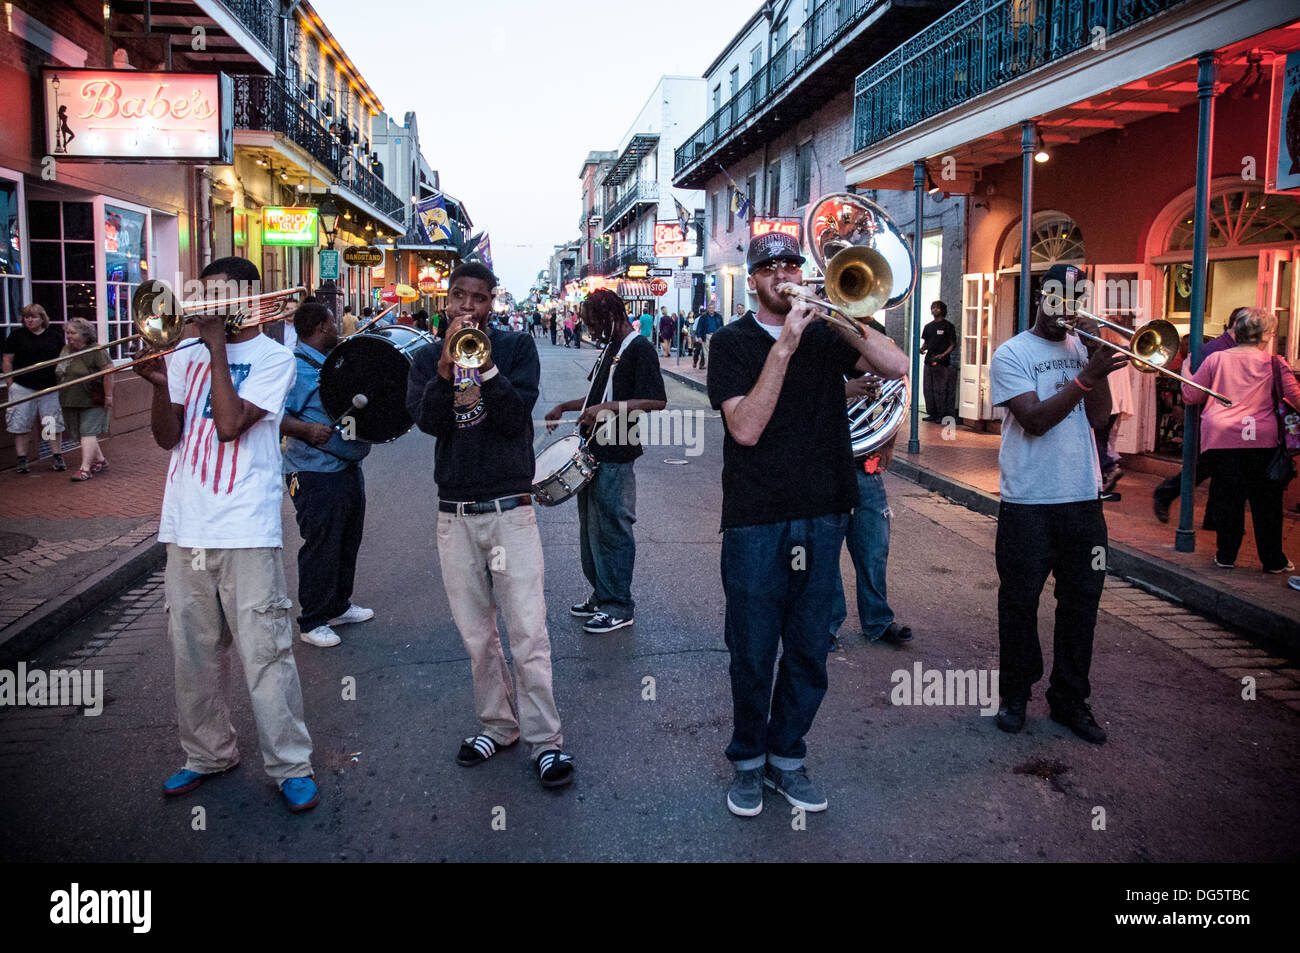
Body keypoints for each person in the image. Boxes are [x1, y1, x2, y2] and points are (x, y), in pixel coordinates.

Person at [708, 231, 907, 817]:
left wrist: (842, 315)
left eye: (793, 264)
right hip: (755, 520)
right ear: (753, 280)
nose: (784, 274)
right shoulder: (731, 343)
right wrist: (785, 345)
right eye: (770, 267)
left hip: (824, 513)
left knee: (808, 650)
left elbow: (895, 365)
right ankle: (748, 761)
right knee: (751, 648)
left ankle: (787, 757)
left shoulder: (827, 332)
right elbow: (745, 427)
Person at [133, 256, 319, 812]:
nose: (206, 306)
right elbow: (169, 437)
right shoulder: (186, 353)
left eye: (219, 296)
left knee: (266, 651)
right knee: (192, 652)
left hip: (246, 527)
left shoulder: (273, 357)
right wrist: (161, 381)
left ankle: (290, 763)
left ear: (248, 299)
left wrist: (214, 349)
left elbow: (231, 425)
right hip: (185, 525)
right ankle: (207, 753)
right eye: (203, 295)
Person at [406, 261, 575, 790]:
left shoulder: (517, 349)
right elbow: (430, 423)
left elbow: (514, 415)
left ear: (491, 303)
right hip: (454, 513)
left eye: (477, 299)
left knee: (528, 632)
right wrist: (443, 368)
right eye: (458, 297)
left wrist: (484, 367)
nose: (466, 308)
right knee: (478, 637)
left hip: (510, 509)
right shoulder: (423, 357)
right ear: (447, 300)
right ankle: (498, 725)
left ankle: (545, 741)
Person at [989, 263, 1129, 746]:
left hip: (1083, 501)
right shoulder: (1012, 353)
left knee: (1081, 605)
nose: (1063, 310)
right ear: (1038, 299)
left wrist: (1094, 364)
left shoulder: (1082, 349)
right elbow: (1034, 421)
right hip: (1028, 501)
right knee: (1019, 602)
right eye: (1055, 298)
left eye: (1073, 300)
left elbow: (1098, 417)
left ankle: (1069, 698)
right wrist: (1087, 375)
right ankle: (1014, 693)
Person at [545, 289, 667, 634]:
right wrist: (566, 407)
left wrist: (606, 410)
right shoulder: (611, 348)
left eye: (597, 325)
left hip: (617, 452)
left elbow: (656, 400)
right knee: (591, 531)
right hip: (592, 450)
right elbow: (596, 396)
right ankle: (601, 596)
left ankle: (618, 605)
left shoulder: (639, 348)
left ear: (613, 316)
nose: (594, 332)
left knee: (613, 530)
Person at [280, 301, 374, 648]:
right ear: (321, 327)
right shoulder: (293, 368)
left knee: (347, 539)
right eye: (333, 322)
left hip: (346, 467)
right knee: (321, 544)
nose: (337, 327)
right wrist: (304, 430)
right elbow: (271, 415)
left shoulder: (332, 364)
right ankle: (313, 620)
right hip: (315, 472)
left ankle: (338, 605)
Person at [1182, 308, 1300, 574]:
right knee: (1267, 503)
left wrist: (1186, 370)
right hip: (1263, 441)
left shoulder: (1217, 360)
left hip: (1223, 439)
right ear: (1267, 335)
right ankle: (1273, 560)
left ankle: (1226, 555)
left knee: (1228, 500)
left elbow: (1191, 395)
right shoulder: (1275, 363)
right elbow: (1295, 397)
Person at [829, 328, 913, 647]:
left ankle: (878, 621)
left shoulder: (871, 333)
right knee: (826, 553)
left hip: (865, 466)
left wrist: (888, 438)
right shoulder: (817, 338)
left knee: (874, 550)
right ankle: (828, 625)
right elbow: (800, 400)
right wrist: (846, 391)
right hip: (827, 467)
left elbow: (896, 386)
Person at [1152, 307, 1246, 522]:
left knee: (1216, 467)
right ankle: (1168, 493)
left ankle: (1210, 516)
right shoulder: (1218, 350)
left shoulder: (1223, 347)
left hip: (1221, 415)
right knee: (1208, 465)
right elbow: (1196, 389)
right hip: (1215, 414)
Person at [3, 303, 67, 474]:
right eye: (26, 317)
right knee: (20, 422)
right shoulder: (17, 336)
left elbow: (63, 359)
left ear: (42, 318)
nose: (29, 320)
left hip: (49, 386)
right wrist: (10, 383)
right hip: (23, 386)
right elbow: (7, 360)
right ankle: (22, 459)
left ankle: (56, 455)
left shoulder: (54, 335)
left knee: (50, 422)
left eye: (33, 317)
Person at [55, 317, 113, 482]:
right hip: (70, 398)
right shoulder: (67, 349)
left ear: (84, 334)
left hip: (93, 398)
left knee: (87, 432)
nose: (69, 336)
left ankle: (85, 469)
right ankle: (100, 460)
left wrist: (109, 395)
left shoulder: (96, 350)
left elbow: (108, 372)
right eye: (67, 332)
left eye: (72, 333)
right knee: (83, 433)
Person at [920, 301, 957, 422]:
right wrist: (922, 348)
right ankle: (932, 413)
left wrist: (944, 354)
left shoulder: (948, 326)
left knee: (940, 389)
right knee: (928, 388)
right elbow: (926, 343)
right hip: (929, 361)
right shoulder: (928, 326)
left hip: (942, 362)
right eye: (933, 308)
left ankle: (941, 414)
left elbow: (953, 344)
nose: (934, 310)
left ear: (943, 310)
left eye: (937, 308)